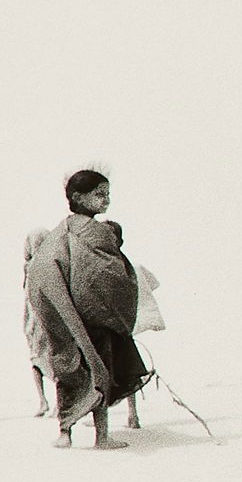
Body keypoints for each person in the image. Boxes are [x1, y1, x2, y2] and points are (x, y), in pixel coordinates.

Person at [26, 170, 151, 450]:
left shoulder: (60, 231)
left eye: (107, 194)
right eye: (99, 194)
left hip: (66, 317)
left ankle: (65, 433)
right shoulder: (95, 231)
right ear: (78, 197)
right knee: (99, 369)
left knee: (68, 369)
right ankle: (102, 436)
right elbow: (108, 274)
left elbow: (42, 272)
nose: (106, 200)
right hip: (94, 316)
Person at [103, 220, 162, 429]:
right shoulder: (132, 265)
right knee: (129, 370)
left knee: (106, 370)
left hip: (111, 326)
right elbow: (152, 284)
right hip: (124, 327)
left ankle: (105, 416)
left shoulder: (105, 265)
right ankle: (133, 414)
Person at [22, 228, 56, 417]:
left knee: (36, 358)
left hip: (34, 317)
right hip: (44, 316)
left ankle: (43, 400)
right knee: (50, 358)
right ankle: (52, 401)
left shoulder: (29, 266)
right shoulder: (51, 262)